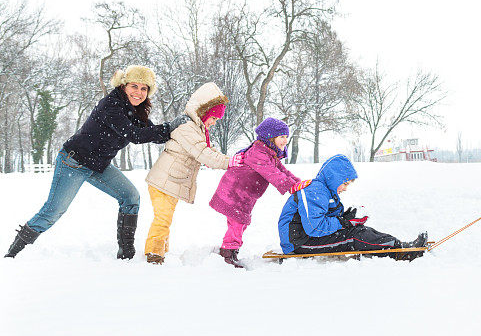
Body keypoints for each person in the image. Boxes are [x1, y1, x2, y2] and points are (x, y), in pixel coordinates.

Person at [5, 65, 188, 259]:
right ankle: (14, 253)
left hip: (98, 166)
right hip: (73, 162)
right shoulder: (112, 105)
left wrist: (178, 130)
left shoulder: (135, 110)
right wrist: (168, 128)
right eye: (134, 86)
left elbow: (151, 132)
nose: (139, 92)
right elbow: (134, 135)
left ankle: (126, 253)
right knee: (53, 211)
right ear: (124, 85)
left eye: (144, 89)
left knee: (130, 197)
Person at [143, 82, 243, 264]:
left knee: (165, 218)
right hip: (163, 181)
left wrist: (227, 159)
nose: (213, 123)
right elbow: (203, 153)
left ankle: (161, 252)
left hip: (170, 182)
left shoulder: (198, 128)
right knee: (162, 219)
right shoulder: (187, 127)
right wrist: (229, 162)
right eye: (213, 118)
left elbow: (209, 150)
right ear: (204, 112)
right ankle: (153, 255)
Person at [278, 154, 428, 261]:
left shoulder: (324, 191)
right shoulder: (315, 191)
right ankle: (401, 252)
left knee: (360, 231)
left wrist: (347, 218)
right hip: (300, 243)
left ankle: (398, 245)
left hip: (307, 237)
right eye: (345, 183)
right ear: (335, 178)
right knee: (354, 236)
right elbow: (315, 227)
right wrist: (344, 222)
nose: (345, 188)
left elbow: (326, 218)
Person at [209, 117, 301, 268]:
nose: (285, 141)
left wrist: (298, 183)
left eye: (286, 137)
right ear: (270, 137)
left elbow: (282, 170)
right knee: (237, 224)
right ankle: (227, 254)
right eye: (281, 137)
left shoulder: (269, 152)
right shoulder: (258, 153)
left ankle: (230, 250)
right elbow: (273, 173)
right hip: (235, 192)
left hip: (244, 194)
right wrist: (291, 187)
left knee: (240, 224)